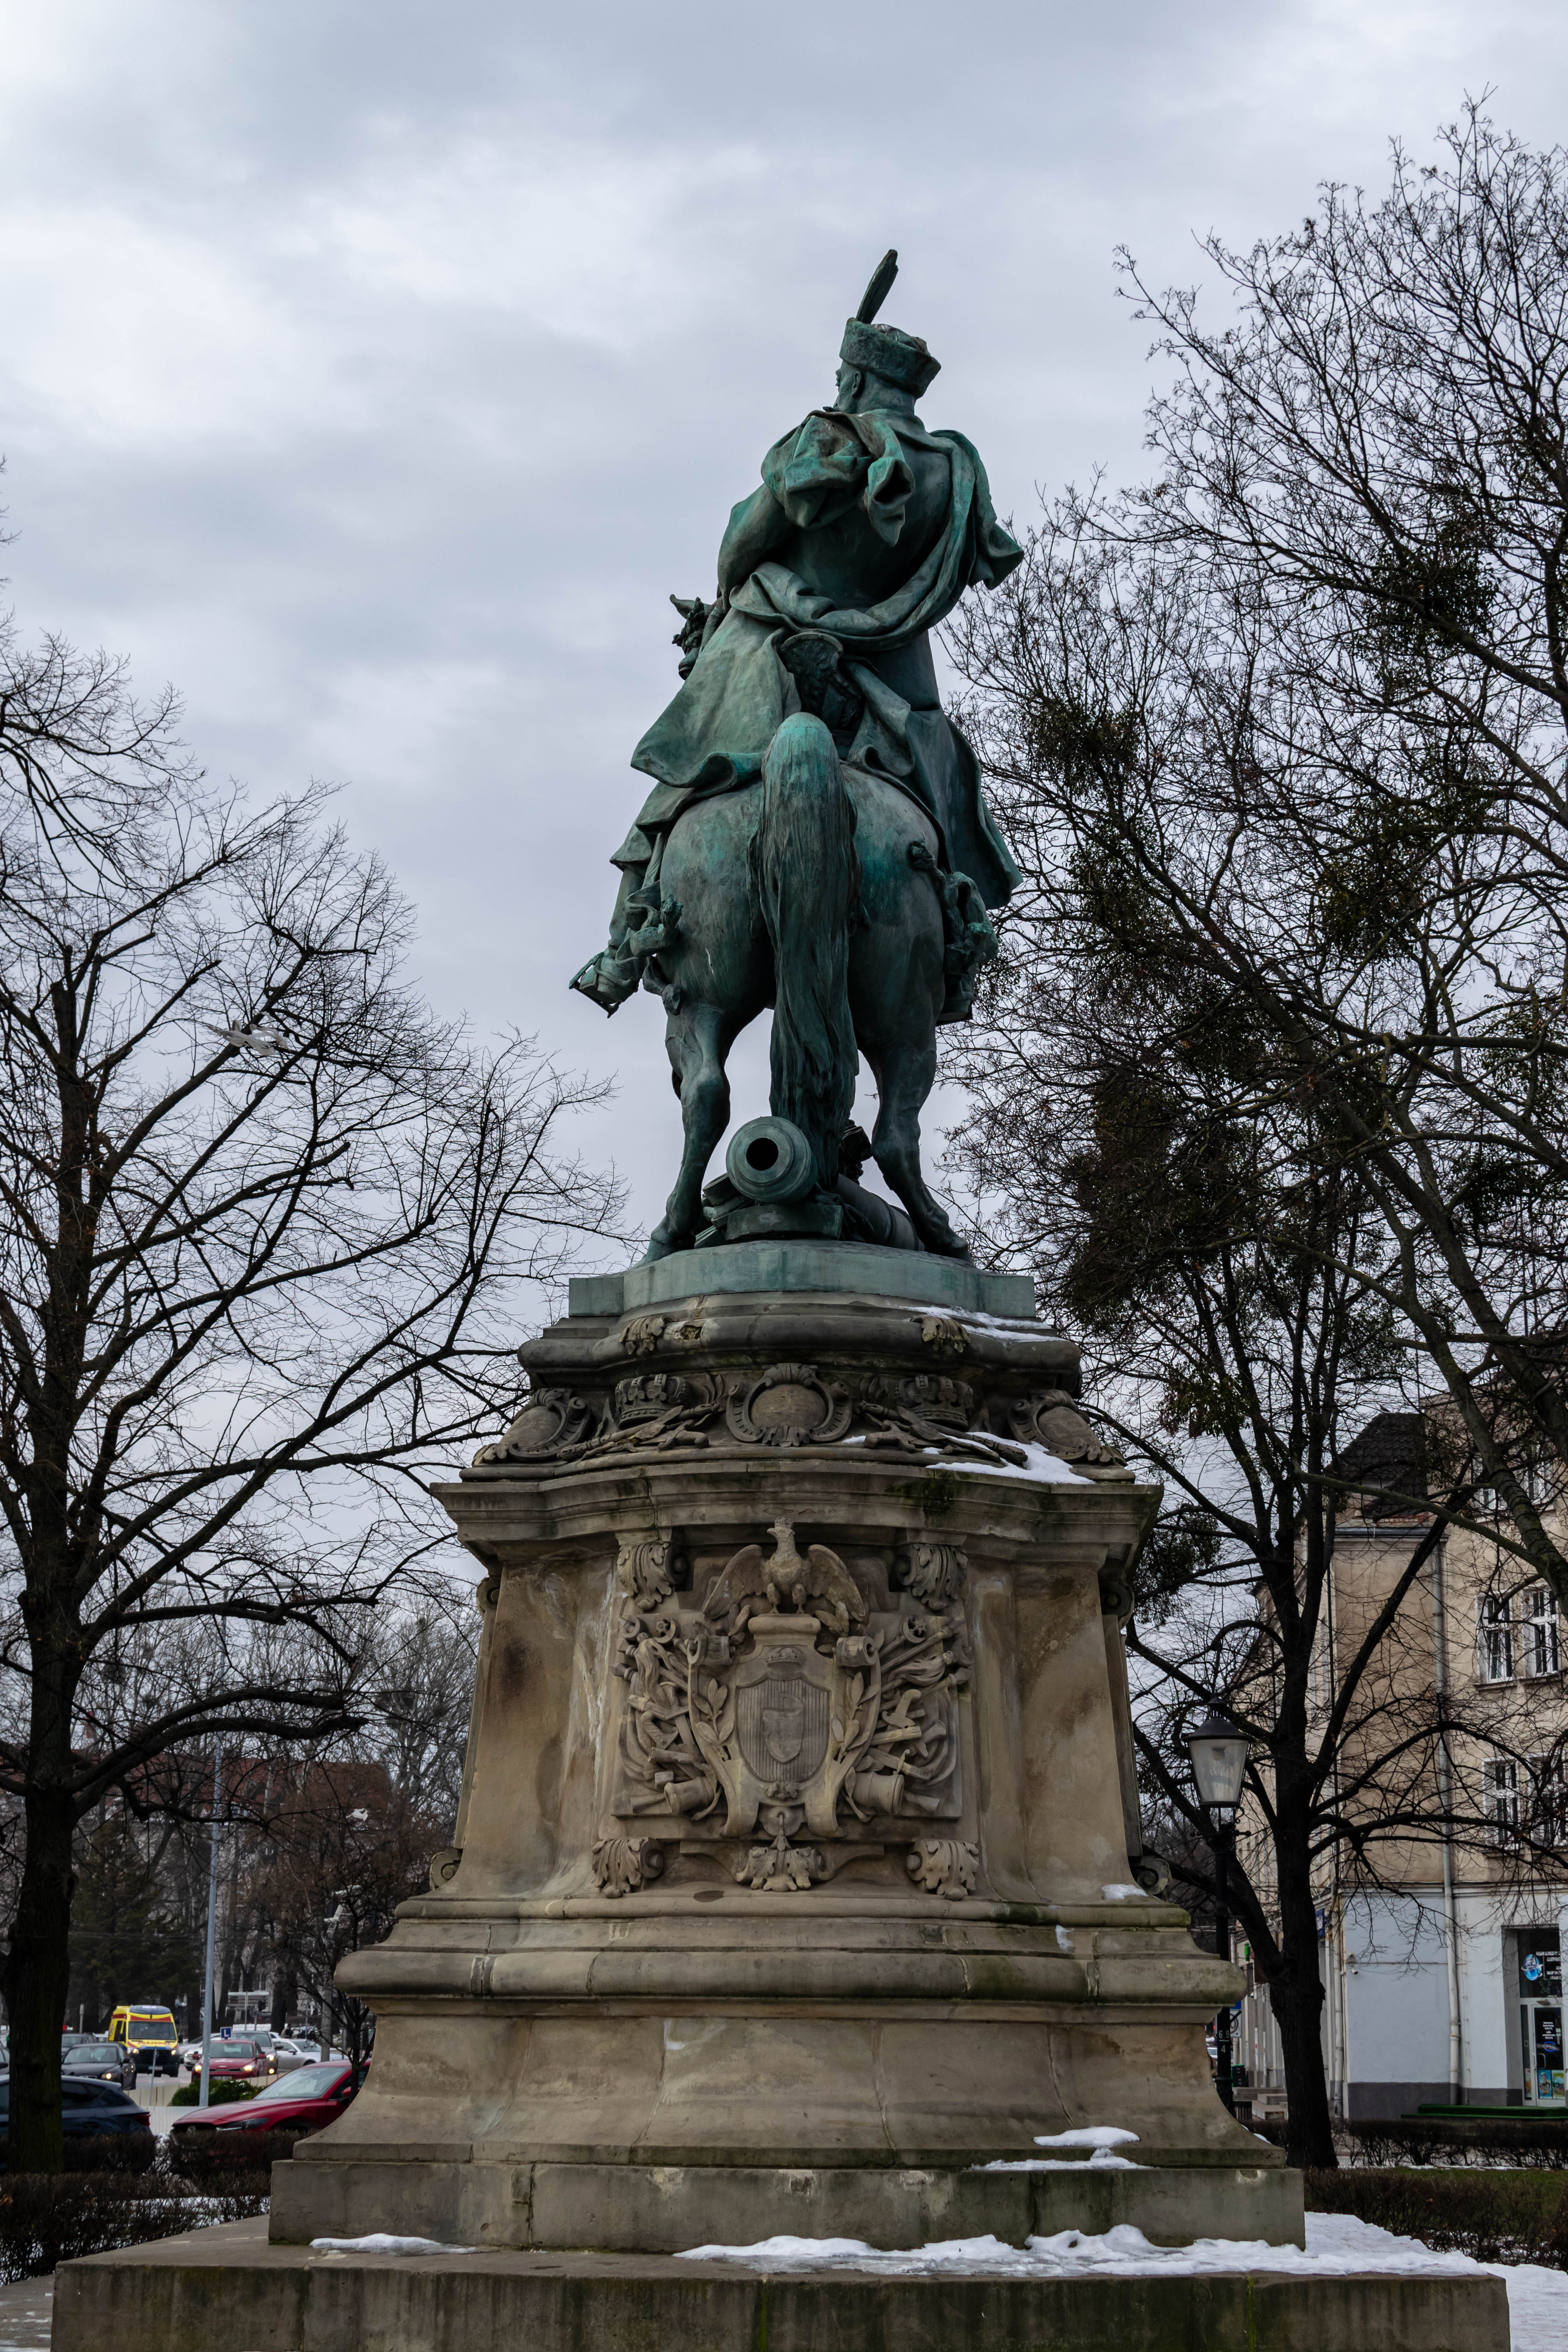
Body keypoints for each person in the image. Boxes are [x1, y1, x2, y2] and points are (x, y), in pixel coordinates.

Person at [572, 253, 1023, 1015]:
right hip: (894, 680)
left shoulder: (829, 438)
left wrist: (728, 587)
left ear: (852, 380)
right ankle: (952, 949)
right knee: (941, 828)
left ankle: (626, 946)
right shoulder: (955, 471)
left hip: (773, 638)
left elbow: (747, 537)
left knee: (679, 786)